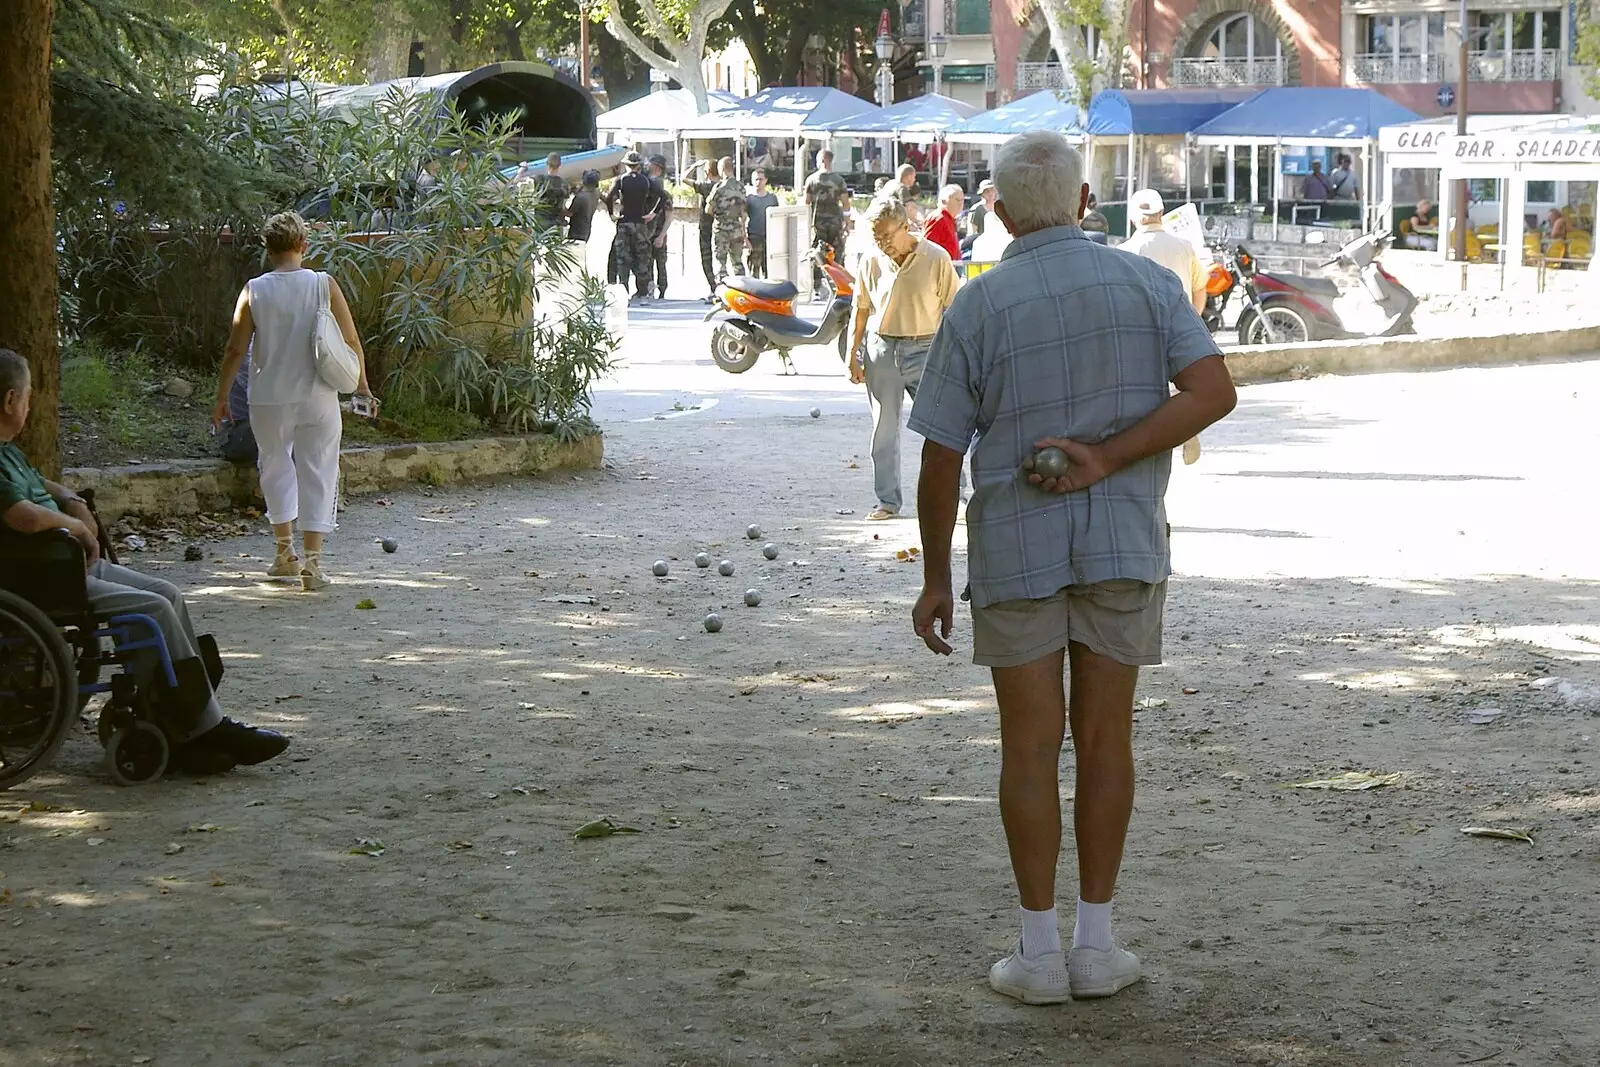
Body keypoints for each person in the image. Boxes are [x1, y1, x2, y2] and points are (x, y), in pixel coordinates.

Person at [906, 131, 1236, 1005]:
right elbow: (1214, 391)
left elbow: (940, 456)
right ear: (1087, 204)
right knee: (1105, 740)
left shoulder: (979, 306)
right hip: (1125, 542)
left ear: (1000, 212)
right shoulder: (1149, 284)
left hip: (1016, 551)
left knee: (1026, 747)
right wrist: (1109, 457)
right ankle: (1099, 942)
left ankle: (1038, 951)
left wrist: (936, 575)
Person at [1, 349, 291, 775]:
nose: (30, 405)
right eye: (27, 397)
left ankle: (182, 719)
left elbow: (36, 482)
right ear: (10, 400)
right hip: (45, 577)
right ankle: (203, 729)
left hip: (61, 565)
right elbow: (22, 515)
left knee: (167, 594)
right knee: (151, 611)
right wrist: (77, 528)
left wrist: (73, 499)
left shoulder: (7, 451)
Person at [210, 211, 370, 593]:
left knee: (275, 467)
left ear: (267, 249)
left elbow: (235, 349)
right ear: (303, 245)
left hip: (268, 398)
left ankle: (284, 555)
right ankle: (312, 565)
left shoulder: (254, 290)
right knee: (318, 470)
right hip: (317, 395)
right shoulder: (323, 284)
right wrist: (362, 387)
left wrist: (221, 397)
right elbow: (350, 340)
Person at [846, 196, 957, 522]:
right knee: (883, 430)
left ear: (905, 227)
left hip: (926, 349)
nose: (882, 243)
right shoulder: (871, 260)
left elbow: (955, 309)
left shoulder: (937, 258)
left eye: (886, 236)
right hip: (882, 349)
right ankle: (887, 501)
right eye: (876, 237)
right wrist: (853, 354)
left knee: (941, 429)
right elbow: (861, 309)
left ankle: (956, 497)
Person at [1121, 190, 1207, 314]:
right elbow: (1199, 288)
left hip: (1142, 327)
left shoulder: (1124, 252)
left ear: (1132, 217)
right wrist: (1193, 321)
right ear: (1161, 213)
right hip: (1181, 327)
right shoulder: (1186, 247)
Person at [604, 151, 666, 302]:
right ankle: (643, 292)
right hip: (640, 223)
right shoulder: (646, 181)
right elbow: (663, 197)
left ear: (626, 165)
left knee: (623, 258)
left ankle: (623, 290)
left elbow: (608, 197)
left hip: (624, 222)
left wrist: (612, 214)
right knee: (642, 258)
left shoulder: (621, 180)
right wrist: (653, 213)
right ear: (638, 166)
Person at [804, 149, 851, 260]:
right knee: (835, 252)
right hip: (835, 222)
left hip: (817, 223)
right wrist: (847, 221)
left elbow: (806, 203)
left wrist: (806, 222)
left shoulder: (811, 180)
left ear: (821, 160)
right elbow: (845, 203)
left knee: (818, 252)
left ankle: (818, 276)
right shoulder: (839, 180)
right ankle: (835, 275)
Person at [710, 156, 748, 279]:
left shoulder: (718, 188)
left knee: (720, 262)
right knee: (737, 261)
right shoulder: (741, 188)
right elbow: (744, 212)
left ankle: (722, 291)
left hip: (721, 229)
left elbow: (708, 209)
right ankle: (742, 289)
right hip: (737, 228)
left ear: (721, 169)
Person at [688, 158, 721, 300]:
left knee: (706, 258)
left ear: (707, 172)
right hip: (720, 227)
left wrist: (694, 166)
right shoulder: (722, 186)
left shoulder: (705, 186)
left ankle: (714, 288)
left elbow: (683, 178)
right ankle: (720, 288)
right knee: (721, 259)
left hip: (706, 227)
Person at [745, 169, 780, 278]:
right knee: (753, 273)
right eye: (755, 180)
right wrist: (745, 239)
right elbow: (742, 219)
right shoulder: (749, 199)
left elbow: (778, 218)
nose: (758, 182)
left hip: (769, 239)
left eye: (760, 179)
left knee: (769, 272)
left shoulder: (772, 199)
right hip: (754, 238)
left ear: (766, 180)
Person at [646, 155, 672, 299]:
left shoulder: (665, 195)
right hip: (647, 233)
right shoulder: (647, 191)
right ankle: (649, 290)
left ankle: (662, 292)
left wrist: (661, 236)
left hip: (658, 233)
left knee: (661, 264)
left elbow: (669, 217)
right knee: (647, 264)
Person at [925, 184, 964, 262]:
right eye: (957, 199)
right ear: (944, 201)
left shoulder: (949, 219)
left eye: (962, 200)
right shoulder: (938, 219)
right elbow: (927, 249)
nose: (960, 203)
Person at [961, 179, 997, 254]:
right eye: (987, 191)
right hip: (982, 245)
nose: (990, 193)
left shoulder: (999, 206)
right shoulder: (977, 209)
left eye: (992, 190)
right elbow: (972, 232)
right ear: (982, 193)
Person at [567, 169, 601, 244]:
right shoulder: (596, 193)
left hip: (576, 232)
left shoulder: (580, 198)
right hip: (586, 231)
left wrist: (562, 204)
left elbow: (569, 213)